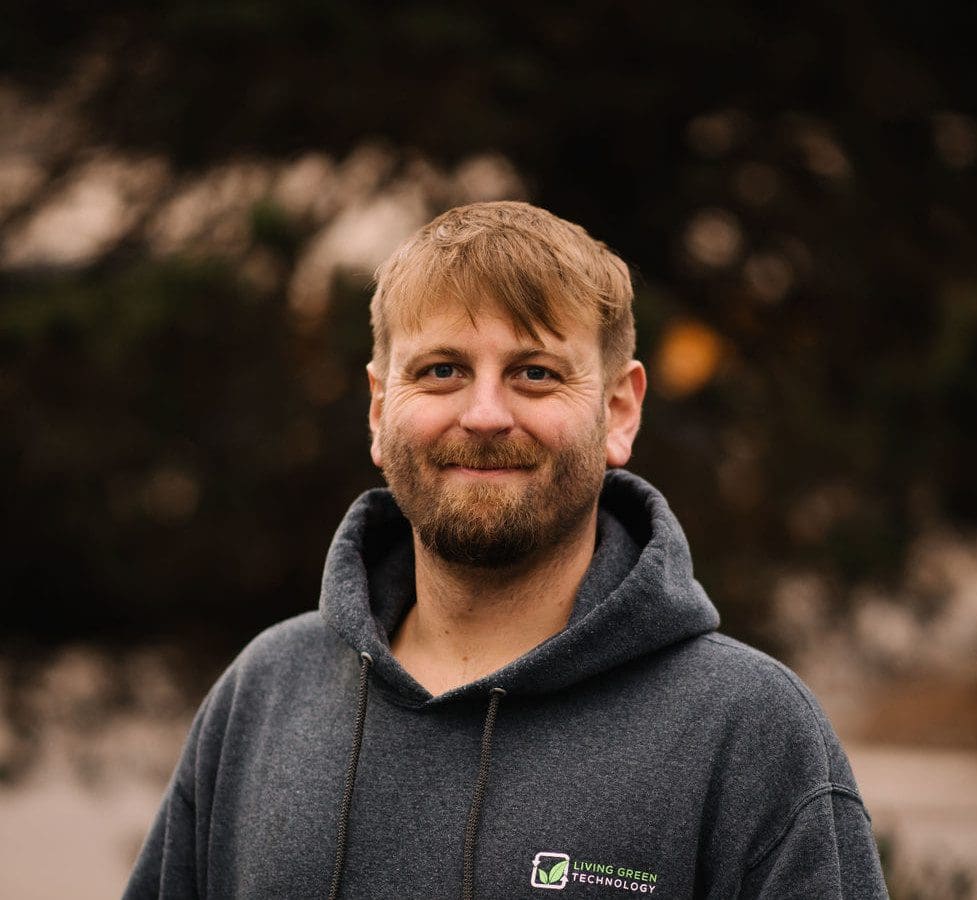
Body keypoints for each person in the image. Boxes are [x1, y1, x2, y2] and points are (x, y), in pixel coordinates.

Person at [125, 201, 888, 899]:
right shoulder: (262, 696)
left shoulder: (748, 732)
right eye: (442, 371)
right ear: (380, 408)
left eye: (535, 373)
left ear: (619, 410)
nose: (485, 414)